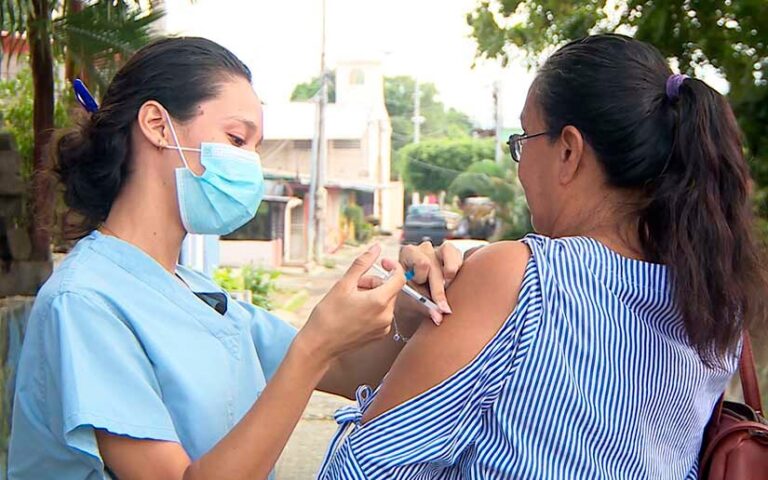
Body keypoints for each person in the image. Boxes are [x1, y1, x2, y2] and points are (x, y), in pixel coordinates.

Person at [8, 37, 462, 480]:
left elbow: (344, 368)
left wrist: (410, 299)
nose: (250, 164)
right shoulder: (86, 301)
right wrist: (316, 345)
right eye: (237, 139)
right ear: (157, 125)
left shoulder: (197, 292)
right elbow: (312, 358)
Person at [317, 34, 768, 479]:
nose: (519, 166)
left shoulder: (526, 279)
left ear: (569, 151)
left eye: (524, 138)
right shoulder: (718, 302)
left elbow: (362, 470)